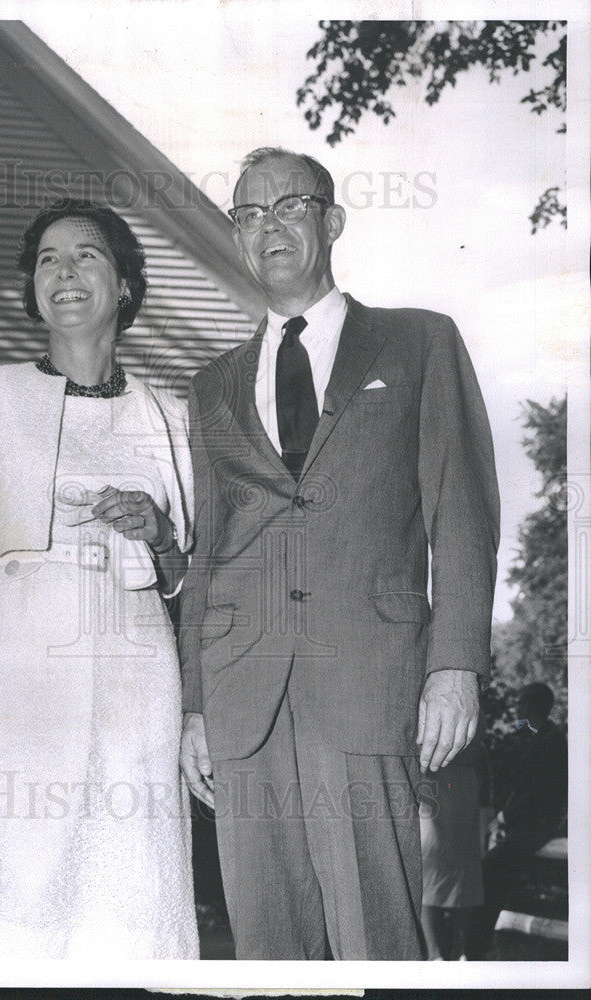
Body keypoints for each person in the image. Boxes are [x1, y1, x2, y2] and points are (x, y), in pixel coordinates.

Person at [178, 147, 500, 960]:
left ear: (332, 220)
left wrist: (454, 666)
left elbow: (462, 513)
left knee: (379, 937)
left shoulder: (417, 342)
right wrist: (192, 707)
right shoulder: (211, 384)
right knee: (267, 950)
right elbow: (206, 550)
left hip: (367, 678)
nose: (267, 228)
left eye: (288, 206)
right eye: (248, 215)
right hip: (242, 696)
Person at [0, 199, 198, 959]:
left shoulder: (170, 417)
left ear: (127, 286)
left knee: (136, 875)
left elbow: (190, 580)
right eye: (47, 258)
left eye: (86, 255)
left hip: (137, 662)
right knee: (24, 878)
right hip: (18, 659)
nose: (64, 272)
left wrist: (158, 532)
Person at [465, 682, 567, 959]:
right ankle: (476, 950)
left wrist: (504, 818)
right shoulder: (537, 737)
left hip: (539, 825)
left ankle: (474, 952)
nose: (517, 709)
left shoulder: (552, 740)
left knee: (489, 872)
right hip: (524, 824)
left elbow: (539, 791)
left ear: (532, 706)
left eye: (522, 704)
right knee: (491, 876)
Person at [419, 737, 489, 959]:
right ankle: (434, 953)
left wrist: (486, 807)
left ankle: (460, 951)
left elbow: (482, 757)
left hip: (465, 792)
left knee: (465, 875)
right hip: (431, 787)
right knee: (428, 869)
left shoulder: (474, 712)